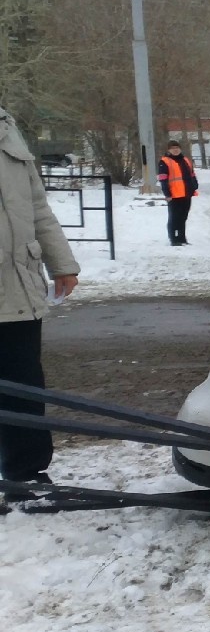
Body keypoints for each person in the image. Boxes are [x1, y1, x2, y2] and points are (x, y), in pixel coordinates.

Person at [0, 106, 80, 508]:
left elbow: (37, 207)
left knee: (24, 384)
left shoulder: (6, 128)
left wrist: (61, 263)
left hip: (17, 287)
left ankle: (26, 475)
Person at [158, 139, 198, 246]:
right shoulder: (164, 162)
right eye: (173, 148)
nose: (175, 150)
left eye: (177, 148)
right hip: (174, 195)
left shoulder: (185, 160)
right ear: (169, 150)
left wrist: (194, 186)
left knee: (183, 217)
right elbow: (163, 179)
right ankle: (173, 239)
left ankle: (182, 238)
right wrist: (167, 194)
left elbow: (192, 174)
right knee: (174, 217)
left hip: (186, 193)